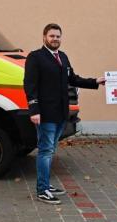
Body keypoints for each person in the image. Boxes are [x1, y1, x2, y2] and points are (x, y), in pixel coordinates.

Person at [24, 23, 105, 204]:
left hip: (61, 114)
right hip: (45, 114)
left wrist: (95, 82)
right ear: (44, 37)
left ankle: (46, 184)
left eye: (58, 36)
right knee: (45, 151)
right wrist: (34, 110)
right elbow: (30, 85)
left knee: (50, 150)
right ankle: (42, 190)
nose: (55, 39)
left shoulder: (63, 57)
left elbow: (73, 79)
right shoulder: (35, 57)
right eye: (52, 36)